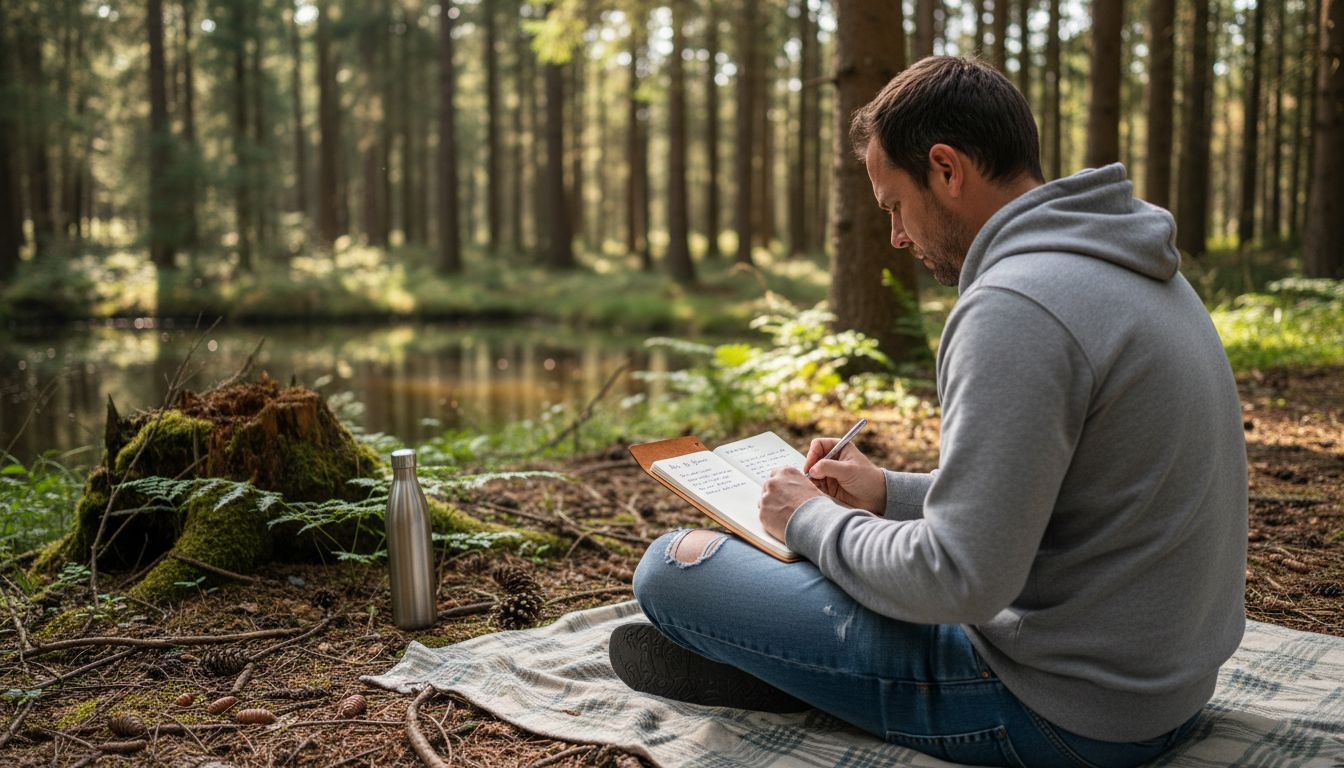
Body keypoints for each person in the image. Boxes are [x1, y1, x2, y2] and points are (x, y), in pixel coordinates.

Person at [609, 56, 1248, 768]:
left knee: (676, 566)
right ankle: (796, 663)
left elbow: (959, 578)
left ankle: (791, 670)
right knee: (821, 561)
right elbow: (1060, 501)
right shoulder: (1128, 262)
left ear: (945, 169)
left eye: (893, 205)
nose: (897, 237)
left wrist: (809, 520)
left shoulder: (1015, 306)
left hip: (1063, 713)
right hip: (1162, 691)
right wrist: (885, 495)